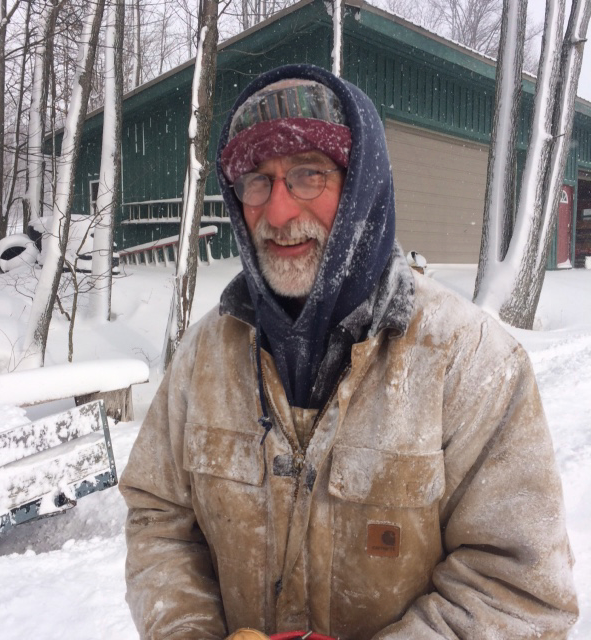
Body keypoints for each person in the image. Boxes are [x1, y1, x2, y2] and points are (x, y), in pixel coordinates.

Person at [119, 64, 578, 639]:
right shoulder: (205, 356)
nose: (278, 212)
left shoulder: (470, 358)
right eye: (256, 181)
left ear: (363, 186)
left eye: (308, 175)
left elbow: (519, 592)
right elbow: (159, 518)